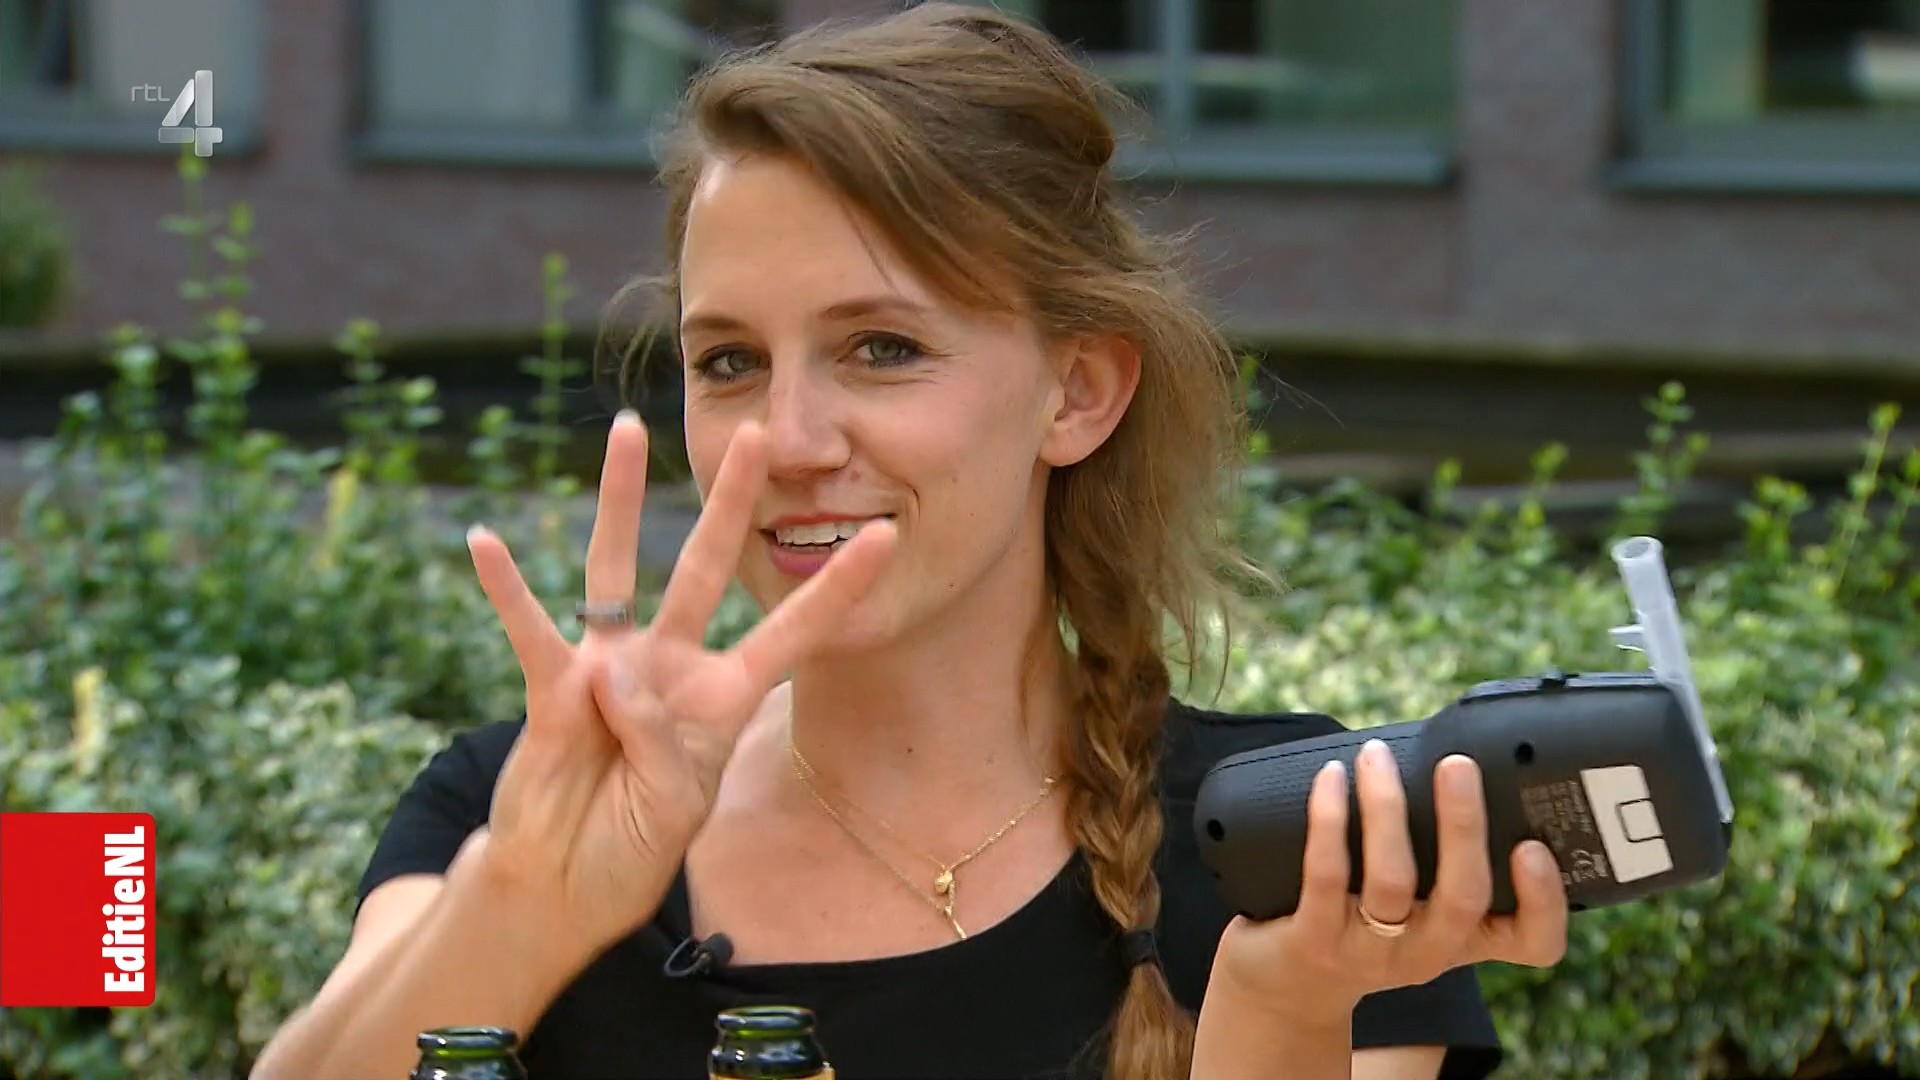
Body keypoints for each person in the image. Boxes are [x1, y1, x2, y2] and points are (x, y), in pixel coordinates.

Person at [249, 4, 1568, 1078]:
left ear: (1077, 392)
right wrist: (528, 900)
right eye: (728, 361)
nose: (788, 439)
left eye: (881, 348)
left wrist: (1278, 1014)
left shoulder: (1297, 841)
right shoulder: (521, 808)